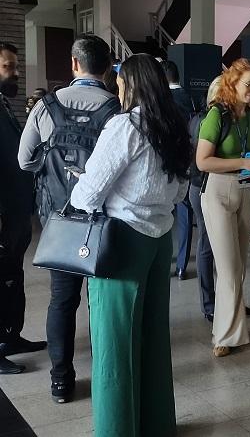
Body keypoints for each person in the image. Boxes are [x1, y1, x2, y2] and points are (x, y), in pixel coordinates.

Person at [70, 53, 190, 437]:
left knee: (113, 347)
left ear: (130, 84)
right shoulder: (173, 128)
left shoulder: (125, 126)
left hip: (121, 242)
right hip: (158, 242)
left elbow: (87, 194)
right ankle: (156, 425)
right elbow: (182, 188)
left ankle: (116, 429)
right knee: (153, 339)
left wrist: (82, 186)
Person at [18, 34, 120, 403]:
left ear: (74, 64)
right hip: (104, 222)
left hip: (59, 220)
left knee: (62, 300)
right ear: (108, 68)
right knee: (101, 299)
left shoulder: (45, 105)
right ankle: (107, 377)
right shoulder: (117, 109)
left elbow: (25, 160)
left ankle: (61, 380)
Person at [196, 58, 250, 358]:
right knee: (227, 268)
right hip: (219, 192)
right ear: (232, 83)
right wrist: (242, 163)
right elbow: (202, 161)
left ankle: (236, 329)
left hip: (246, 188)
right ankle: (222, 335)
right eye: (248, 84)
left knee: (240, 267)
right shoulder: (216, 115)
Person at [0, 42, 47, 375]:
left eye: (14, 66)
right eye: (8, 67)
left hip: (15, 213)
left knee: (12, 277)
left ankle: (10, 336)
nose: (15, 73)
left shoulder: (4, 104)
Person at [189, 77, 221, 322]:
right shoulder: (205, 120)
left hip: (216, 187)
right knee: (207, 246)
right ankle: (209, 304)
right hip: (203, 187)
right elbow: (201, 162)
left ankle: (226, 302)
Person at [162, 60, 194, 280]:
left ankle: (163, 261)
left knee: (162, 213)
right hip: (187, 162)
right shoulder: (192, 98)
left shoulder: (161, 100)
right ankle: (182, 264)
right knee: (185, 216)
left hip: (163, 163)